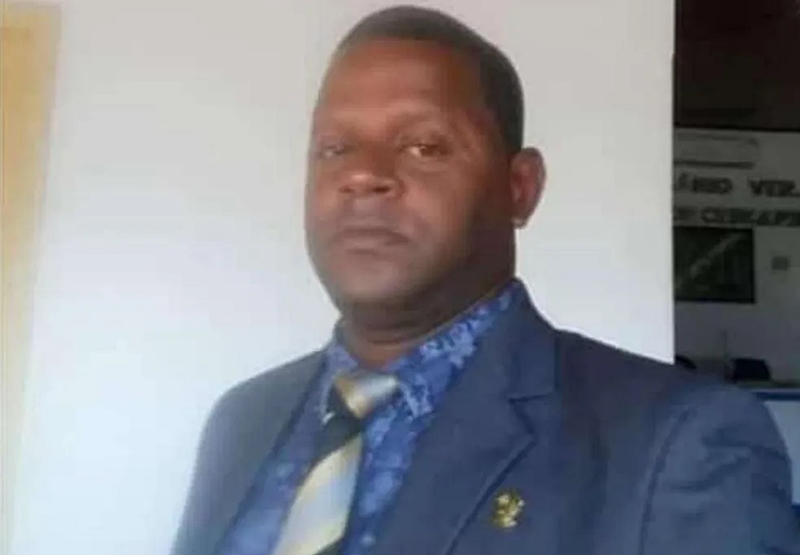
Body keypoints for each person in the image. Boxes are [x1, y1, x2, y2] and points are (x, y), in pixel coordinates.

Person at [171, 6, 800, 555]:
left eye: (424, 146)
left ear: (519, 188)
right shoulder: (243, 420)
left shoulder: (680, 442)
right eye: (335, 148)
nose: (361, 175)